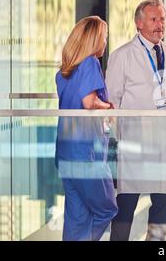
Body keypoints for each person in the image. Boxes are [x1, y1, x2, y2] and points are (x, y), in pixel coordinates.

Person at [106, 0, 166, 241]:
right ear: (139, 23)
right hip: (133, 144)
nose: (160, 24)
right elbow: (111, 102)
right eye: (154, 19)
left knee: (162, 207)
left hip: (164, 143)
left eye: (162, 19)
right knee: (124, 209)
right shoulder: (122, 56)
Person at [55, 16, 118, 241]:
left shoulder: (66, 70)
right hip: (87, 155)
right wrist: (109, 106)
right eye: (104, 37)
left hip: (65, 154)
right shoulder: (90, 63)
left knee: (76, 216)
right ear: (94, 39)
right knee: (107, 208)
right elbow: (89, 102)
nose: (105, 42)